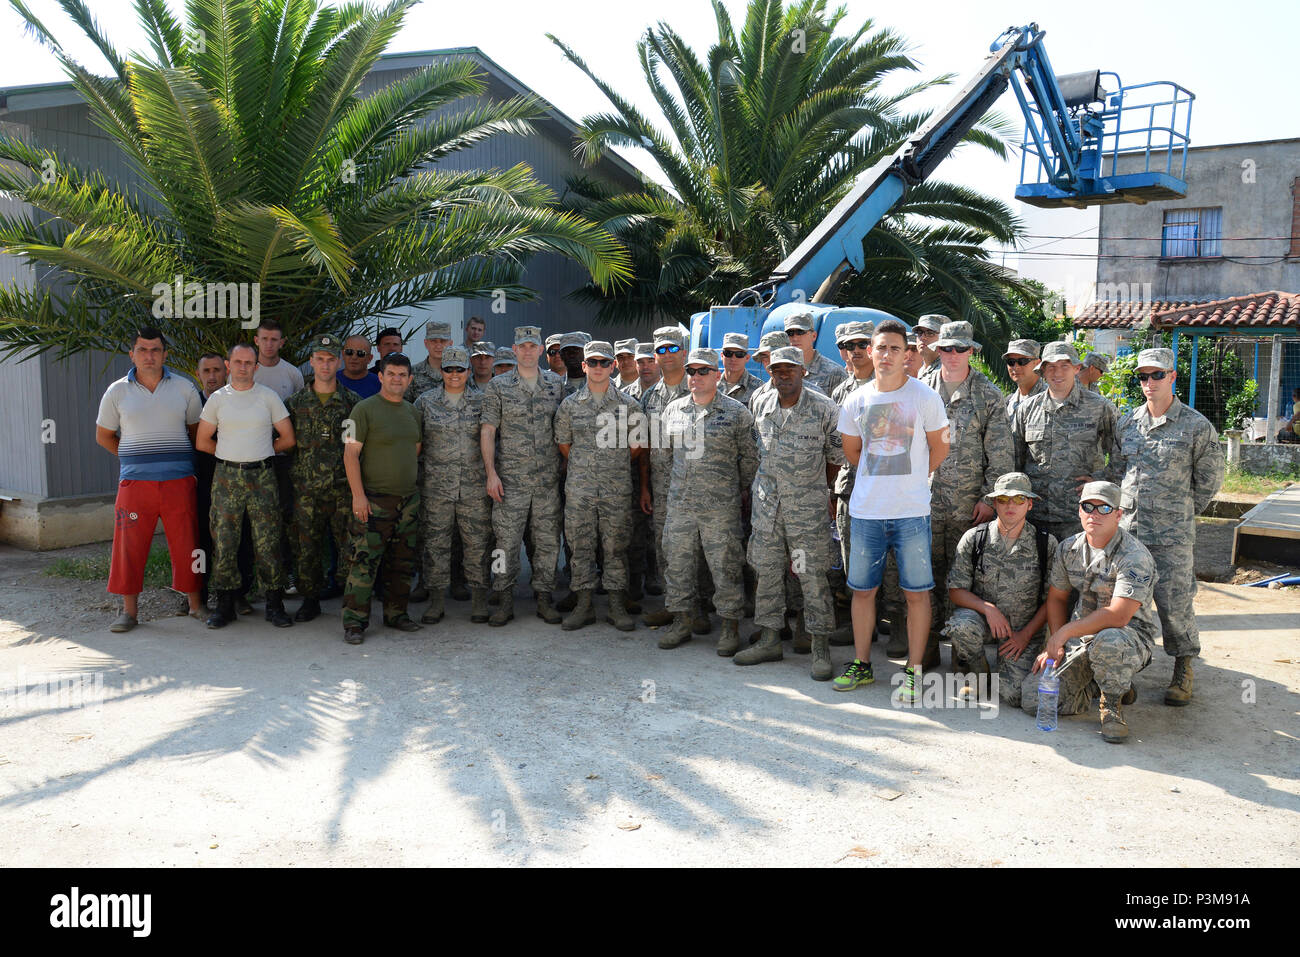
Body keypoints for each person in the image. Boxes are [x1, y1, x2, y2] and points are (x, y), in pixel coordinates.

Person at [835, 320, 949, 699]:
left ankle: (914, 672)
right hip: (866, 512)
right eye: (880, 348)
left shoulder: (926, 398)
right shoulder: (856, 400)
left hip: (911, 512)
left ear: (907, 354)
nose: (886, 355)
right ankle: (862, 664)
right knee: (863, 592)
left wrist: (914, 477)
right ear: (871, 351)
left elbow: (941, 448)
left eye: (895, 349)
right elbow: (853, 453)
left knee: (916, 593)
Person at [1106, 347, 1225, 705]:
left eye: (1157, 375)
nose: (1149, 382)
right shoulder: (1127, 424)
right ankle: (1123, 671)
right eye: (1143, 376)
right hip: (1130, 534)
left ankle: (1183, 667)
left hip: (1172, 536)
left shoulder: (1195, 426)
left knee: (1175, 605)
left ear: (1173, 377)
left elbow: (1209, 481)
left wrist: (1179, 511)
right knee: (1126, 604)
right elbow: (1116, 474)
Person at [1023, 482, 1161, 743]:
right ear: (1079, 511)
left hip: (1127, 638)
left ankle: (1111, 706)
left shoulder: (1134, 556)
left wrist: (1063, 633)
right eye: (1088, 507)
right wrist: (1056, 643)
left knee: (1109, 641)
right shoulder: (1068, 549)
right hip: (1080, 640)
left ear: (1118, 515)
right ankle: (1105, 680)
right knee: (1033, 700)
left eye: (1104, 508)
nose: (1094, 514)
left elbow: (1119, 616)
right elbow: (1056, 598)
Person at [738, 347, 846, 680]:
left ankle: (819, 646)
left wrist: (815, 489)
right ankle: (770, 638)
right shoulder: (760, 402)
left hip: (806, 512)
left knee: (811, 575)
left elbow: (835, 457)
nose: (782, 375)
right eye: (776, 370)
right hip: (768, 507)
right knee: (767, 572)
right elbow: (756, 446)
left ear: (803, 372)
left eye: (789, 369)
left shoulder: (825, 408)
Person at [94, 328, 205, 632]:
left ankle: (196, 605)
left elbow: (197, 435)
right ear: (132, 354)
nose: (149, 356)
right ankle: (129, 612)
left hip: (179, 483)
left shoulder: (184, 388)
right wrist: (132, 459)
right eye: (142, 350)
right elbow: (103, 436)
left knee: (188, 545)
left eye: (155, 350)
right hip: (134, 486)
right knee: (128, 547)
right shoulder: (117, 392)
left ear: (165, 354)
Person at [920, 320, 1014, 668]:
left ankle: (963, 650)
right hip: (924, 503)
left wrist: (989, 499)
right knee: (924, 575)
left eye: (961, 348)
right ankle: (926, 644)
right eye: (947, 348)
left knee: (965, 578)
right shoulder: (921, 389)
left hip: (968, 507)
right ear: (937, 350)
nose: (954, 355)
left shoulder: (988, 395)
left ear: (972, 351)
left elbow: (1001, 454)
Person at [656, 348, 758, 652]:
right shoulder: (673, 410)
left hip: (720, 507)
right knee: (678, 565)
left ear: (717, 374)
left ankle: (729, 626)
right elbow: (663, 458)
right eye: (691, 372)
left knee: (725, 566)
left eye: (703, 371)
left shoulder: (737, 412)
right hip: (681, 505)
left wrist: (731, 490)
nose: (696, 377)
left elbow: (750, 459)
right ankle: (682, 621)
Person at [196, 343, 297, 629]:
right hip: (227, 478)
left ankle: (274, 605)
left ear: (256, 366)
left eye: (248, 362)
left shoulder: (268, 397)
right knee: (225, 542)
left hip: (262, 477)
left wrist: (263, 449)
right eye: (237, 362)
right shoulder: (218, 399)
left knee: (268, 542)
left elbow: (288, 438)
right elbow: (202, 441)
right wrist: (230, 453)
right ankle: (225, 605)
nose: (242, 367)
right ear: (228, 365)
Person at [553, 341, 647, 630]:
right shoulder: (569, 405)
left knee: (615, 547)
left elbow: (638, 445)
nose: (597, 368)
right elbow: (564, 444)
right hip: (580, 489)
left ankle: (616, 606)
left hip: (615, 489)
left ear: (613, 366)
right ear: (583, 366)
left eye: (604, 363)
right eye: (592, 362)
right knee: (580, 546)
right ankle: (584, 605)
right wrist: (588, 465)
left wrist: (611, 463)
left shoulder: (629, 405)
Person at [943, 472, 1057, 704]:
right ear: (994, 503)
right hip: (984, 622)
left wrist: (1025, 636)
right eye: (1004, 500)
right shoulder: (975, 538)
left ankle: (1004, 663)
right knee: (961, 625)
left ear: (1030, 504)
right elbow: (956, 590)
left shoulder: (1045, 544)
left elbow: (1053, 600)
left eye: (1019, 499)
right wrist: (988, 609)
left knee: (1012, 695)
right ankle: (977, 668)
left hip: (1022, 630)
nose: (1010, 506)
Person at [481, 326, 568, 625]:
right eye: (523, 346)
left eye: (533, 346)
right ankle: (504, 600)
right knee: (505, 543)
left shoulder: (556, 384)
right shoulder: (499, 386)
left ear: (541, 350)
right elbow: (488, 430)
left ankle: (544, 598)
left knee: (546, 543)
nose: (528, 351)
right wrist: (491, 473)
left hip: (546, 481)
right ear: (515, 350)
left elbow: (566, 432)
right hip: (510, 481)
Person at [340, 352, 423, 643]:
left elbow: (414, 450)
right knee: (364, 562)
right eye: (391, 374)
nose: (397, 379)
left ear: (409, 379)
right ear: (381, 376)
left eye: (402, 375)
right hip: (374, 500)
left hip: (408, 501)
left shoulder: (414, 413)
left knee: (402, 563)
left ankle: (397, 614)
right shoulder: (362, 410)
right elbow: (350, 454)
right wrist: (358, 496)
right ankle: (354, 623)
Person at [414, 347, 493, 625]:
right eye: (449, 369)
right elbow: (416, 444)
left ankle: (479, 600)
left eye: (460, 369)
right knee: (435, 544)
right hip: (436, 488)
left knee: (477, 545)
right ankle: (436, 602)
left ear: (468, 372)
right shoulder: (425, 402)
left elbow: (494, 442)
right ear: (441, 372)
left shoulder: (482, 402)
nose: (455, 374)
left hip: (474, 488)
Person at [1011, 341, 1117, 544]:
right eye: (1051, 366)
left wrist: (1101, 480)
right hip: (1036, 514)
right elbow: (1014, 458)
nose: (1057, 372)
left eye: (1064, 366)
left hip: (1080, 516)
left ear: (1077, 368)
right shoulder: (1026, 410)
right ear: (1042, 370)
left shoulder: (1099, 407)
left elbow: (1120, 452)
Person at [285, 335, 357, 622]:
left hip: (343, 490)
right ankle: (310, 600)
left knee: (349, 548)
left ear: (337, 361)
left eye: (330, 359)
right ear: (312, 361)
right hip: (306, 491)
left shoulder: (353, 403)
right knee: (307, 549)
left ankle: (352, 603)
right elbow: (285, 445)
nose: (325, 365)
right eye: (320, 359)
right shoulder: (294, 403)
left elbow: (359, 447)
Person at [639, 326, 694, 628]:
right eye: (660, 350)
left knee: (695, 547)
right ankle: (673, 605)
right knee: (665, 546)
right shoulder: (649, 398)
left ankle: (697, 610)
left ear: (684, 352)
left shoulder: (701, 388)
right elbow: (645, 447)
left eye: (672, 349)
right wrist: (645, 487)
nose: (667, 355)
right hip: (661, 487)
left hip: (695, 487)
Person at [830, 321, 875, 591]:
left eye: (862, 344)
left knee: (885, 560)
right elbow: (834, 445)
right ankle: (858, 624)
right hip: (848, 486)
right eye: (849, 345)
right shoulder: (840, 392)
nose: (855, 350)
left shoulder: (890, 388)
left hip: (881, 486)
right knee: (851, 556)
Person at [784, 309, 847, 397]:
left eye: (800, 332)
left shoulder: (835, 373)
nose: (795, 338)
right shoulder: (782, 370)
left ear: (814, 336)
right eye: (790, 333)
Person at [252, 318, 305, 401]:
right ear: (256, 340)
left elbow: (300, 407)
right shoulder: (243, 372)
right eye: (264, 339)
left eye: (274, 340)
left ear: (281, 343)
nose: (269, 344)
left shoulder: (294, 374)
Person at [405, 320, 452, 402]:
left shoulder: (459, 373)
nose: (438, 346)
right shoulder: (413, 372)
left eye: (443, 341)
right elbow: (406, 406)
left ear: (450, 344)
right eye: (433, 341)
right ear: (426, 343)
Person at [1003, 338, 1045, 417]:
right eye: (1011, 362)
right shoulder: (1009, 402)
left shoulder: (1049, 399)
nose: (1016, 367)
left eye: (1022, 361)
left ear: (1037, 363)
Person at [719, 332, 763, 406]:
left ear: (747, 358)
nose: (733, 358)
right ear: (722, 356)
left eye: (739, 354)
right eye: (728, 353)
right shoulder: (710, 385)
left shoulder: (760, 389)